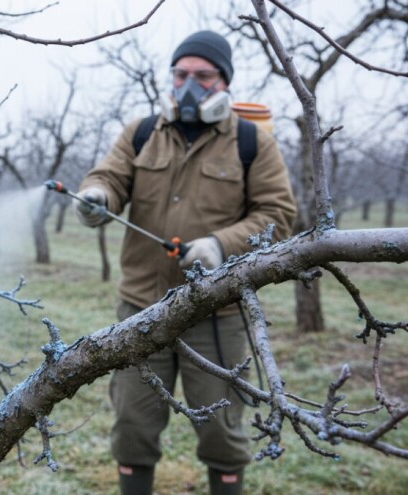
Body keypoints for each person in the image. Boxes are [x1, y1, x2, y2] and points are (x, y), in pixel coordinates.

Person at [76, 31, 296, 495]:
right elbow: (110, 177)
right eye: (181, 75)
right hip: (140, 309)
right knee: (133, 426)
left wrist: (220, 245)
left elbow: (278, 217)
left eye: (202, 76)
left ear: (224, 82)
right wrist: (97, 196)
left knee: (222, 431)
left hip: (216, 313)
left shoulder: (252, 142)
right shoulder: (142, 131)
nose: (189, 85)